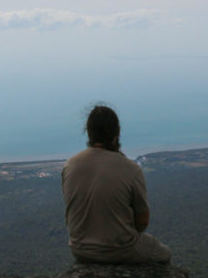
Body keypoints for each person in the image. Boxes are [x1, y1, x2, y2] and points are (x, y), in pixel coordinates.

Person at [61, 105, 171, 264]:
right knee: (164, 253)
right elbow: (142, 221)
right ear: (117, 131)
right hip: (121, 250)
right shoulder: (131, 169)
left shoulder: (70, 166)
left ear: (88, 132)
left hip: (79, 250)